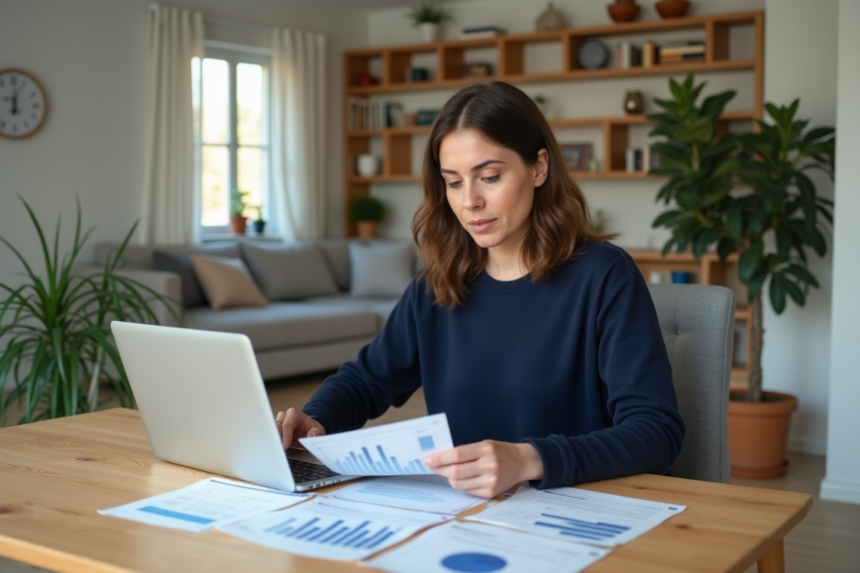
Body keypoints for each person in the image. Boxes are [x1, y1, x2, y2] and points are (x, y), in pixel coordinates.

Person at [276, 81, 684, 499]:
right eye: (453, 182)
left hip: (578, 514)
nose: (470, 201)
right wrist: (315, 419)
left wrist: (529, 459)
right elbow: (367, 380)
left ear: (539, 168)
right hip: (467, 515)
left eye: (489, 176)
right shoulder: (439, 283)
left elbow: (656, 432)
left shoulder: (605, 276)